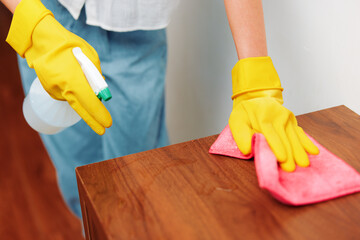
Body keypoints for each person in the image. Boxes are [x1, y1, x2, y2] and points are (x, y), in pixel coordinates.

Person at [1, 0, 319, 219]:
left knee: (138, 187)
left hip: (135, 30)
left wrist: (255, 76)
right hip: (47, 16)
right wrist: (35, 28)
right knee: (76, 181)